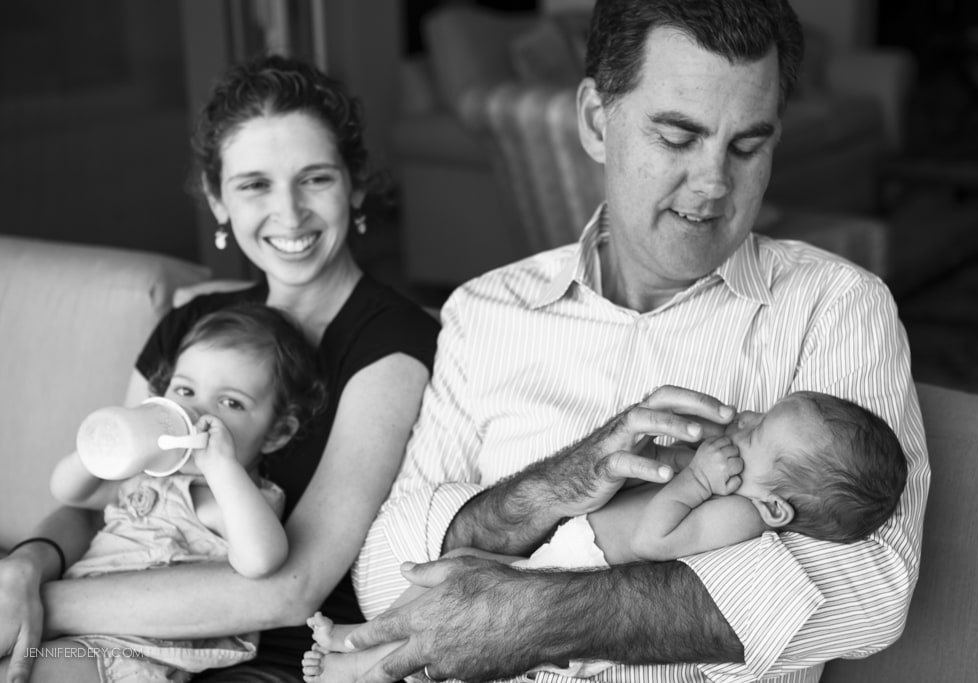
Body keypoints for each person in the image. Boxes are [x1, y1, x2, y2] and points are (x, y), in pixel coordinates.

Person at [347, 1, 930, 682]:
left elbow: (870, 588)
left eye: (748, 146)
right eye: (678, 137)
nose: (714, 184)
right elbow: (383, 576)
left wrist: (536, 615)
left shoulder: (834, 306)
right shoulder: (486, 311)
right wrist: (553, 486)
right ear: (597, 120)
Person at [0, 55, 439, 683]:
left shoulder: (391, 341)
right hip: (106, 624)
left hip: (273, 657)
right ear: (218, 199)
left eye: (315, 178)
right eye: (254, 184)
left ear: (356, 185)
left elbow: (292, 589)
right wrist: (24, 567)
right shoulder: (193, 323)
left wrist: (40, 607)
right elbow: (101, 503)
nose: (289, 213)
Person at [300, 391, 908, 682]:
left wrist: (696, 478)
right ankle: (356, 640)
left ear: (774, 508)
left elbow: (657, 540)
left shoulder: (740, 517)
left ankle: (358, 670)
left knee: (461, 594)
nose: (743, 422)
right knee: (458, 565)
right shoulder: (740, 492)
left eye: (754, 435)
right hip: (567, 549)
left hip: (576, 570)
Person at [0, 304, 319, 681]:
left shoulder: (231, 499)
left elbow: (262, 560)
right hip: (70, 631)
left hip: (128, 654)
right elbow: (70, 493)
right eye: (185, 390)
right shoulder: (146, 472)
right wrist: (97, 450)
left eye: (230, 403)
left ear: (277, 433)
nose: (197, 412)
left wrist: (222, 468)